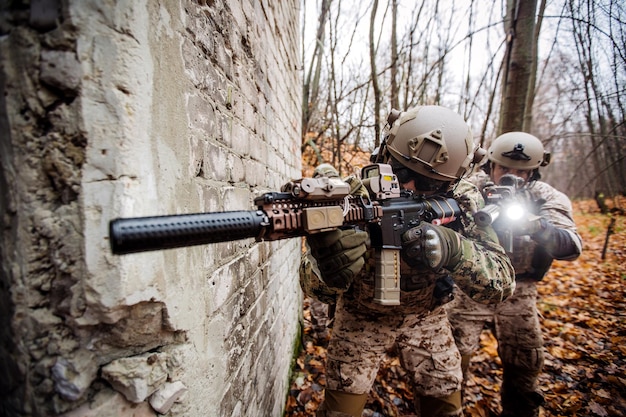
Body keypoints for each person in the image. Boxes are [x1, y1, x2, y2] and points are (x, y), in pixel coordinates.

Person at [299, 105, 516, 417]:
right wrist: (328, 264)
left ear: (451, 183)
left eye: (427, 184)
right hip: (360, 317)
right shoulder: (353, 194)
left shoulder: (465, 200)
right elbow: (311, 288)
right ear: (385, 154)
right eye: (400, 173)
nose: (409, 188)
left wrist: (456, 250)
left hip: (426, 318)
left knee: (445, 407)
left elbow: (502, 282)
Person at [446, 132, 583, 417]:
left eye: (521, 171)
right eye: (504, 169)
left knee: (525, 364)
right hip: (470, 289)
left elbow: (571, 248)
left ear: (533, 172)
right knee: (451, 363)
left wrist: (539, 228)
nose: (512, 177)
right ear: (491, 166)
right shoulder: (468, 190)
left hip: (520, 291)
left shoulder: (545, 197)